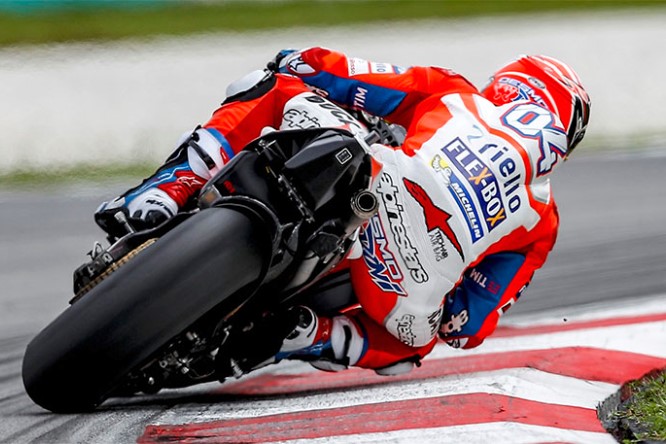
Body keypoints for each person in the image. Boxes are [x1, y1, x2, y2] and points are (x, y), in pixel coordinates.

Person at [95, 47, 590, 376]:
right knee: (414, 348)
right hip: (405, 285)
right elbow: (465, 327)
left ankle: (160, 194)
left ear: (508, 85)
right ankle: (312, 335)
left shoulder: (455, 93)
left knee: (271, 87)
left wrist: (298, 59)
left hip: (380, 178)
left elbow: (339, 74)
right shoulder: (541, 221)